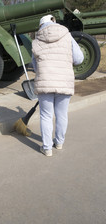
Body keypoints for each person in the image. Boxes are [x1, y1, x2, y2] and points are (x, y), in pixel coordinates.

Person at [32, 14, 84, 157]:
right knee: (62, 114)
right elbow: (79, 58)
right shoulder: (67, 35)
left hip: (45, 81)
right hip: (64, 80)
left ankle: (47, 148)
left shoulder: (36, 41)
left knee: (46, 115)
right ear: (54, 22)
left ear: (40, 26)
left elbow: (35, 67)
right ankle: (59, 143)